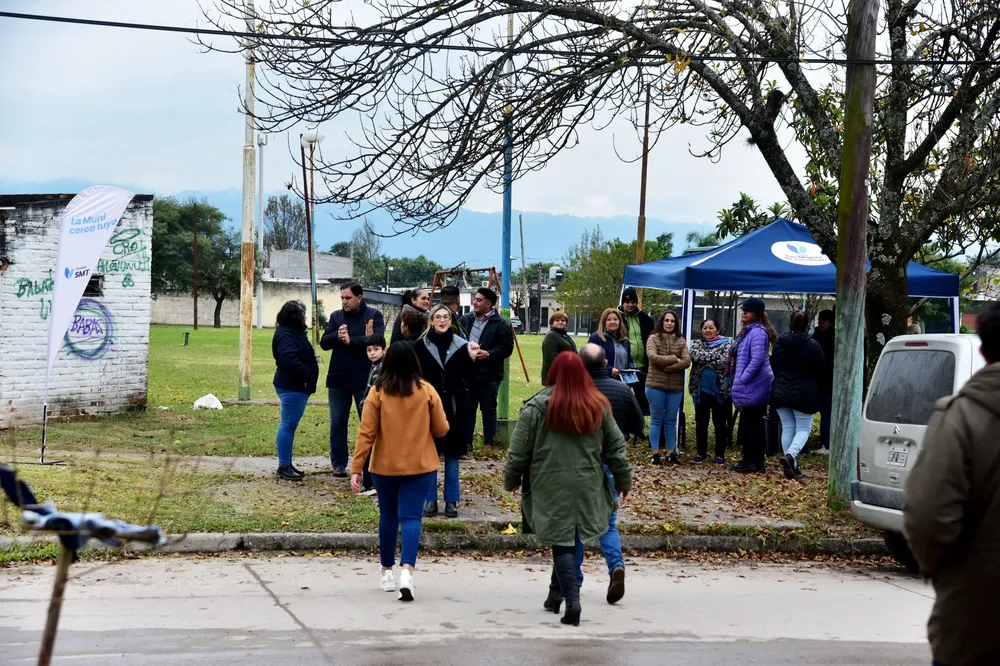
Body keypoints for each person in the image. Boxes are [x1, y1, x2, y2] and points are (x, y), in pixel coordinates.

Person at [503, 352, 633, 626]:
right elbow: (616, 447)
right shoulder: (597, 405)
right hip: (587, 483)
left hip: (549, 483)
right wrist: (623, 480)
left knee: (561, 539)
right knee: (570, 536)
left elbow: (518, 451)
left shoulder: (536, 406)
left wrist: (511, 478)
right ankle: (555, 594)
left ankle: (572, 603)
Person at [903, 302, 1000, 666]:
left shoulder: (963, 417)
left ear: (984, 352)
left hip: (979, 621)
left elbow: (928, 516)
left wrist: (951, 573)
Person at [351, 342, 450, 602]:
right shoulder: (427, 390)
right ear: (415, 362)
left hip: (384, 466)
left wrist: (357, 467)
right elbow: (441, 428)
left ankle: (386, 571)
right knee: (411, 518)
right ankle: (407, 571)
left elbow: (366, 433)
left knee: (388, 516)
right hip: (420, 464)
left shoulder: (377, 392)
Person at [578, 343, 643, 604]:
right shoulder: (622, 390)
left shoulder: (574, 393)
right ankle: (616, 566)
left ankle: (573, 579)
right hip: (612, 464)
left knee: (576, 524)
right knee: (608, 523)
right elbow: (639, 424)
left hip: (581, 464)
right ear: (606, 364)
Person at [416, 304, 479, 518]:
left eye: (446, 317)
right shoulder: (420, 345)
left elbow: (471, 376)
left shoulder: (462, 345)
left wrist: (472, 359)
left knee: (452, 455)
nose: (442, 321)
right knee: (430, 454)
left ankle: (451, 500)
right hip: (428, 407)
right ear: (431, 320)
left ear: (450, 321)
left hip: (455, 407)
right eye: (438, 317)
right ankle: (430, 500)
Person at [320, 281, 386, 477]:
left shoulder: (374, 315)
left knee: (368, 423)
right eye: (342, 298)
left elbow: (379, 343)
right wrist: (337, 336)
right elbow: (324, 342)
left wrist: (353, 341)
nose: (344, 301)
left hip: (364, 379)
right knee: (337, 422)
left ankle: (371, 464)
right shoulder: (336, 316)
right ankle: (339, 463)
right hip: (338, 378)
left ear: (359, 297)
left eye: (348, 298)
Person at [769, 312, 825, 480]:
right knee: (803, 429)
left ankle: (791, 466)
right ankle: (791, 456)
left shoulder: (779, 343)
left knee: (787, 428)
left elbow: (774, 364)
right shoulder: (813, 345)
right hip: (804, 393)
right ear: (807, 325)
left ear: (790, 323)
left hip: (780, 390)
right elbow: (820, 369)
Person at [458, 288, 514, 447]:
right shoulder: (465, 319)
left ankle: (489, 442)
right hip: (468, 373)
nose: (474, 302)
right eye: (474, 299)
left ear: (489, 304)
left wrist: (489, 354)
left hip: (490, 375)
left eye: (479, 300)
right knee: (468, 409)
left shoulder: (501, 323)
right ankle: (466, 442)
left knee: (488, 409)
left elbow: (507, 348)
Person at [726, 297, 777, 474]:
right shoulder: (748, 332)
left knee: (753, 426)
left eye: (748, 310)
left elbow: (757, 360)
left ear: (756, 314)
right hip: (750, 385)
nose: (744, 313)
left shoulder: (758, 333)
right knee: (748, 425)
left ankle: (755, 461)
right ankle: (749, 458)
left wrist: (743, 378)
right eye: (744, 310)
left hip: (755, 385)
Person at [271, 300, 319, 481]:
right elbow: (288, 359)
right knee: (288, 425)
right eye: (303, 315)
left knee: (289, 425)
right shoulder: (287, 334)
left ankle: (286, 464)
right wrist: (307, 374)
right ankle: (284, 465)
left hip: (294, 385)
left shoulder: (290, 331)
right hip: (292, 386)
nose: (305, 318)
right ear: (296, 317)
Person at [645, 311, 691, 465]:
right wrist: (673, 359)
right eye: (667, 320)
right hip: (655, 385)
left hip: (675, 387)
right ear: (662, 322)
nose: (669, 323)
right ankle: (655, 453)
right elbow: (653, 357)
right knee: (656, 419)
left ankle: (671, 453)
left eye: (672, 321)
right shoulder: (653, 338)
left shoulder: (681, 340)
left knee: (671, 421)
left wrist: (667, 368)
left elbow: (686, 361)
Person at [688, 319, 732, 465]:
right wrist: (714, 356)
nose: (707, 330)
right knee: (701, 422)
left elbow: (724, 361)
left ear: (717, 330)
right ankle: (701, 453)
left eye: (711, 328)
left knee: (720, 423)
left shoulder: (727, 344)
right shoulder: (696, 344)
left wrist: (705, 359)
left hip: (720, 390)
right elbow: (694, 356)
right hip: (700, 390)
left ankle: (719, 454)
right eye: (705, 328)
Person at [356, 334, 387, 494]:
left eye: (376, 349)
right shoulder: (375, 365)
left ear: (384, 350)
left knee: (369, 446)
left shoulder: (380, 368)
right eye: (369, 350)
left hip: (374, 413)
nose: (372, 353)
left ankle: (370, 483)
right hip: (370, 410)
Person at [618, 287, 655, 416]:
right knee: (623, 401)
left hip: (642, 368)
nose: (630, 305)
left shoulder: (645, 319)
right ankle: (624, 426)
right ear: (623, 303)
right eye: (627, 302)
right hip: (623, 369)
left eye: (633, 302)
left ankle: (639, 424)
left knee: (644, 402)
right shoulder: (616, 319)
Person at [811, 309, 835, 454]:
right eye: (820, 320)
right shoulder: (816, 336)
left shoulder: (830, 338)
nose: (821, 323)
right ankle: (824, 443)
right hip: (819, 380)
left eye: (824, 320)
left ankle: (826, 443)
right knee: (825, 412)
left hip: (827, 380)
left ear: (831, 322)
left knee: (827, 413)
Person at [588, 308, 635, 379]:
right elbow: (591, 360)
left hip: (623, 381)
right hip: (604, 380)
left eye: (615, 319)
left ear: (620, 321)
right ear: (604, 322)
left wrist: (631, 367)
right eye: (609, 320)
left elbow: (629, 359)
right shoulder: (596, 338)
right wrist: (609, 370)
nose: (612, 322)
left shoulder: (625, 340)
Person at [541, 311, 577, 384]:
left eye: (563, 320)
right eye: (557, 320)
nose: (560, 322)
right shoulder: (551, 337)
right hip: (556, 377)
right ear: (552, 323)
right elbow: (551, 359)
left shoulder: (564, 335)